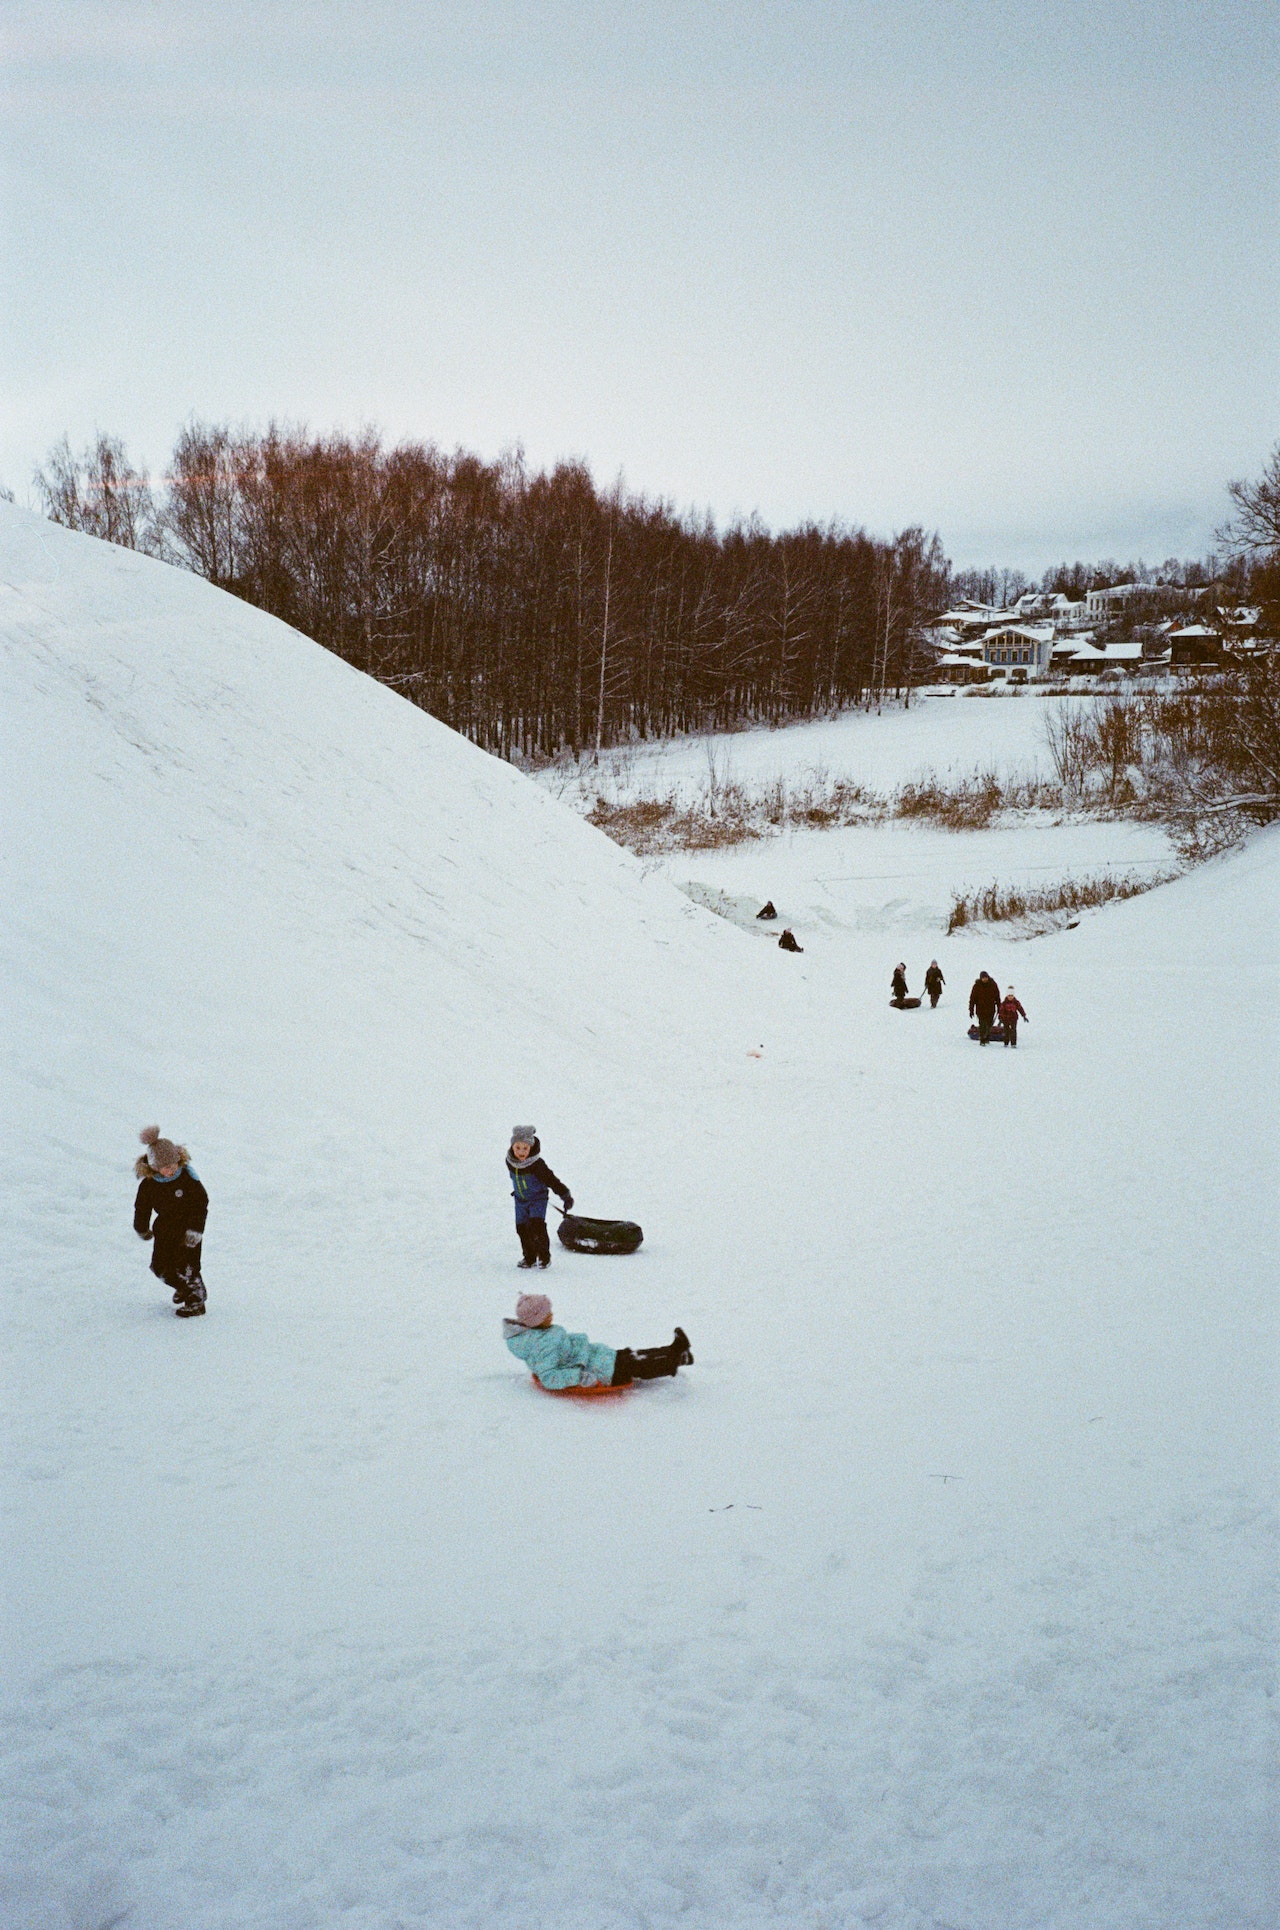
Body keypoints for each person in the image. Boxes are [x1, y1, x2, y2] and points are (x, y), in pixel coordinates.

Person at [503, 1293, 693, 1389]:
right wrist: (579, 1378)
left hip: (594, 1357)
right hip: (595, 1371)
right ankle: (676, 1359)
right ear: (536, 1321)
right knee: (636, 1365)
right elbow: (549, 1377)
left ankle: (674, 1351)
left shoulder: (541, 1335)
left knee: (630, 1355)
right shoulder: (542, 1347)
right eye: (547, 1314)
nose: (552, 1315)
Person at [134, 1125, 208, 1316]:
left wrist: (196, 1229)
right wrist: (141, 1228)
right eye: (166, 1167)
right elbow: (142, 1208)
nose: (171, 1170)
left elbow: (200, 1203)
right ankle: (183, 1287)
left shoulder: (187, 1179)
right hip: (164, 1230)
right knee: (159, 1266)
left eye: (174, 1164)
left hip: (187, 1230)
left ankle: (196, 1301)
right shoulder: (149, 1185)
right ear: (155, 1167)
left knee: (187, 1266)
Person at [506, 1126, 573, 1269]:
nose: (521, 1152)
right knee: (522, 1228)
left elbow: (551, 1180)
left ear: (531, 1147)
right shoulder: (510, 1162)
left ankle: (544, 1257)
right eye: (517, 1148)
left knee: (537, 1226)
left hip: (538, 1199)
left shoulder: (537, 1165)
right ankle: (529, 1257)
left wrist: (565, 1195)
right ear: (512, 1146)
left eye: (525, 1148)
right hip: (520, 1200)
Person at [968, 971, 1001, 1044]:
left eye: (986, 978)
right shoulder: (976, 986)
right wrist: (971, 1010)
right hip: (980, 1009)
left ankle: (987, 1038)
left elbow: (997, 997)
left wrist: (999, 1008)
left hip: (991, 1009)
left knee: (989, 1025)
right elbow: (972, 999)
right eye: (983, 978)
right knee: (982, 1025)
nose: (985, 979)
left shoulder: (993, 985)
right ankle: (982, 1039)